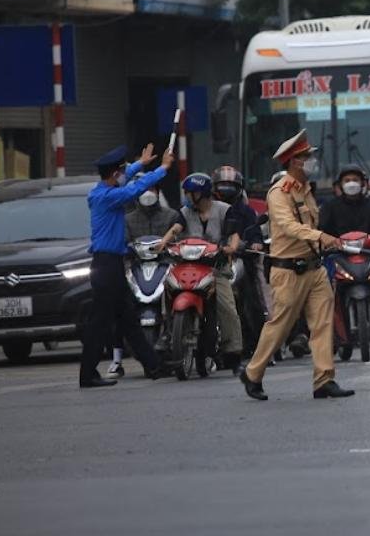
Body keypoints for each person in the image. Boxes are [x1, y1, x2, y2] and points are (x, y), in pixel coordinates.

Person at [239, 129, 354, 400]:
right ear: (293, 162)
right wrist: (321, 237)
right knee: (280, 325)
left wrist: (323, 242)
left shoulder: (306, 190)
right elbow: (290, 227)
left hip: (314, 269)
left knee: (323, 323)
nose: (312, 161)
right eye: (307, 157)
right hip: (289, 270)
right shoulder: (279, 193)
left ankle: (324, 379)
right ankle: (253, 373)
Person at [79, 143, 174, 388]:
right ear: (114, 175)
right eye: (121, 171)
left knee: (128, 320)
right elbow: (134, 190)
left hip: (110, 266)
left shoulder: (103, 189)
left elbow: (126, 178)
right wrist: (162, 168)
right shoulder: (108, 197)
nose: (124, 173)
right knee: (99, 323)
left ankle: (153, 366)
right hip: (106, 266)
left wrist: (140, 164)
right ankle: (87, 374)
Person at [158, 173, 245, 371]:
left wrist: (230, 247)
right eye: (187, 193)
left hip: (216, 269)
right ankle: (166, 330)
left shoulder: (224, 210)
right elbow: (175, 229)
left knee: (227, 308)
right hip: (188, 266)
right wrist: (163, 242)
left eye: (191, 193)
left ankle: (234, 354)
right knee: (167, 285)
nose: (187, 196)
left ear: (202, 193)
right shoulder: (185, 213)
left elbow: (234, 235)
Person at [108, 175, 178, 378]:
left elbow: (179, 239)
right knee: (118, 309)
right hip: (135, 269)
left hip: (166, 267)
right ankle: (116, 359)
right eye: (143, 190)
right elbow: (122, 242)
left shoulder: (171, 216)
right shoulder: (127, 219)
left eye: (152, 189)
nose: (148, 194)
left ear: (158, 191)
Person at [214, 166, 264, 356]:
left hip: (241, 261)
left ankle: (259, 345)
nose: (226, 189)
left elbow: (255, 234)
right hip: (214, 263)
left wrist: (256, 244)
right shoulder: (210, 209)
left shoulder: (247, 211)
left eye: (230, 185)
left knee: (253, 300)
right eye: (222, 185)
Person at [319, 166, 370, 237]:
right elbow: (323, 228)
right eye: (347, 181)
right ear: (341, 184)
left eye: (355, 180)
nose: (351, 184)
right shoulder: (330, 205)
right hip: (338, 246)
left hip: (367, 246)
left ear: (362, 183)